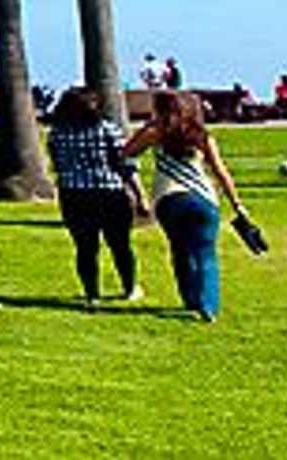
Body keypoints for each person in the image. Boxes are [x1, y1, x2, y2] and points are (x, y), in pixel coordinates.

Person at [122, 87, 250, 322]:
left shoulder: (156, 133)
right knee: (206, 254)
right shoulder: (201, 136)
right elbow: (220, 172)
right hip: (203, 199)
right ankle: (208, 306)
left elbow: (127, 153)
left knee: (180, 251)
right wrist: (237, 205)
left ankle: (190, 299)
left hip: (168, 199)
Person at [48, 86, 145, 306]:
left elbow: (57, 162)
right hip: (109, 192)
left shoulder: (58, 134)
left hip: (73, 194)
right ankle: (129, 287)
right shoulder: (107, 129)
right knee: (120, 245)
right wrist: (140, 196)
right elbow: (125, 164)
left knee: (85, 247)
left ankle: (92, 293)